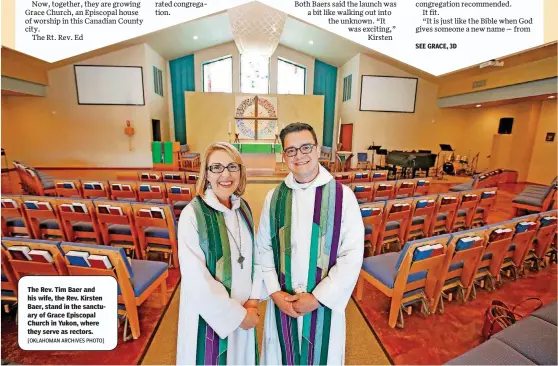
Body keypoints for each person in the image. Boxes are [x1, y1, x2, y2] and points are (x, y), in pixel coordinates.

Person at [255, 123, 364, 365]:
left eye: (306, 147)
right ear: (284, 156)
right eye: (291, 150)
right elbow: (262, 248)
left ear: (317, 150)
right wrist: (274, 292)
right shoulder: (274, 198)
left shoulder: (343, 196)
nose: (299, 155)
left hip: (323, 303)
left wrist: (318, 298)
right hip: (283, 302)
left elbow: (352, 255)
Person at [176, 142, 262, 365]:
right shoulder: (193, 215)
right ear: (206, 174)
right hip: (212, 317)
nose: (226, 174)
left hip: (245, 309)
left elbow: (255, 258)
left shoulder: (243, 208)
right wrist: (238, 316)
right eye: (216, 168)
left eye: (232, 167)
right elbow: (196, 280)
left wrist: (253, 301)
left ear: (240, 172)